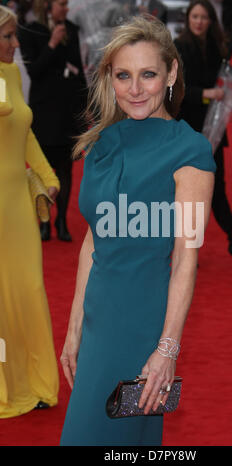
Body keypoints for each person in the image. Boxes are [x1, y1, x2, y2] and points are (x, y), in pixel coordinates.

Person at [59, 15, 216, 446]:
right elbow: (93, 240)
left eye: (148, 74)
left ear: (171, 72)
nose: (135, 88)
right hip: (97, 323)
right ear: (110, 77)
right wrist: (74, 328)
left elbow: (187, 255)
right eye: (123, 75)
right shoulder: (100, 145)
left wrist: (167, 350)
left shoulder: (190, 152)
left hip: (143, 327)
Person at [0, 5, 59, 418]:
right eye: (7, 36)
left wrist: (45, 174)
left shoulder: (12, 75)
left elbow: (23, 130)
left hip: (17, 205)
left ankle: (35, 383)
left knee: (28, 291)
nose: (15, 43)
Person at [174, 0, 232, 264]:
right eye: (195, 16)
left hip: (213, 129)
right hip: (188, 129)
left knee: (216, 187)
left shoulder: (217, 48)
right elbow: (176, 92)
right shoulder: (179, 48)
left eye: (204, 17)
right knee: (189, 191)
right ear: (188, 19)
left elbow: (220, 79)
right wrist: (206, 94)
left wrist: (230, 83)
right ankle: (190, 247)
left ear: (211, 20)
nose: (199, 21)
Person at [19, 0, 88, 242]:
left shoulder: (71, 29)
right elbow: (34, 71)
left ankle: (62, 221)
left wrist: (86, 106)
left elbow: (79, 69)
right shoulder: (30, 30)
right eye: (61, 4)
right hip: (43, 111)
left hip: (67, 110)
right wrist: (52, 44)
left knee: (66, 168)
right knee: (43, 168)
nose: (66, 8)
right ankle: (45, 220)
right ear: (47, 6)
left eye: (67, 4)